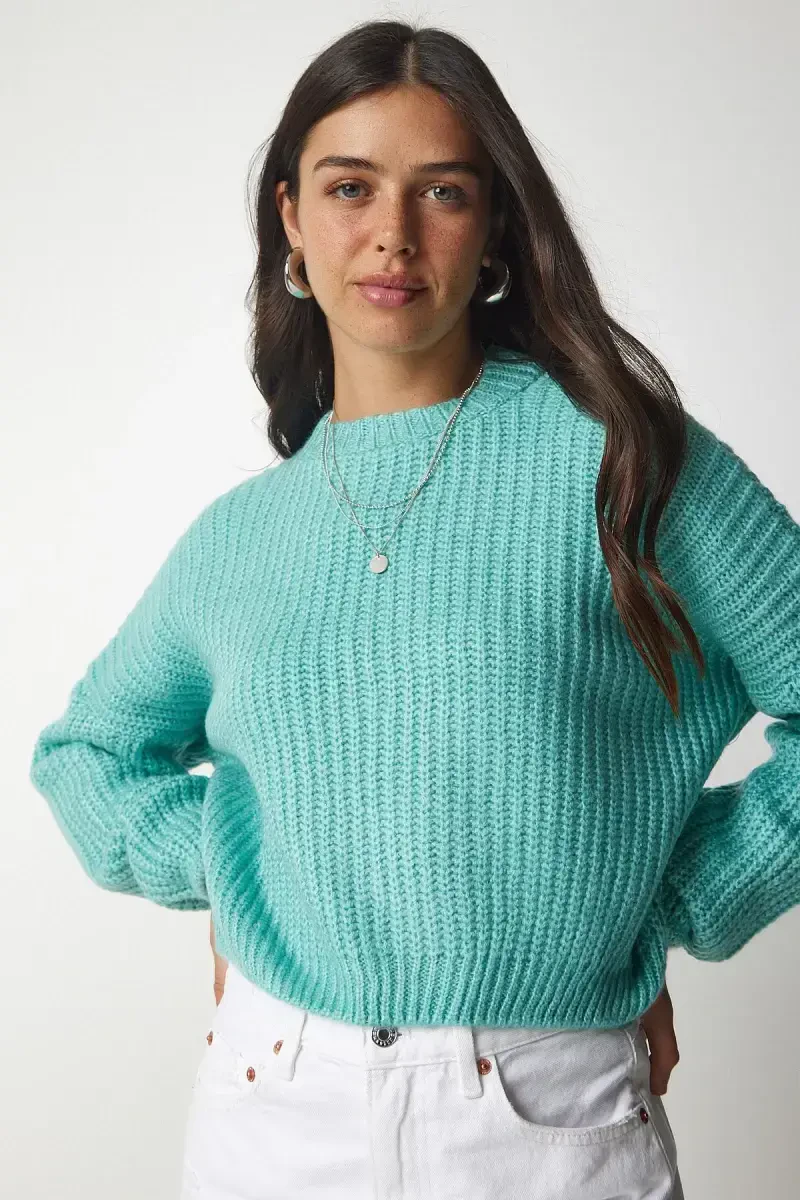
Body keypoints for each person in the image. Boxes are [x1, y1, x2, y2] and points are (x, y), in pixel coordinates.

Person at [28, 18, 800, 1200]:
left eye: (442, 190)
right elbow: (85, 756)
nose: (391, 232)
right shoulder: (243, 535)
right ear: (291, 217)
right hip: (273, 1107)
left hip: (545, 1112)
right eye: (349, 187)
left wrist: (669, 898)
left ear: (494, 227)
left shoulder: (624, 462)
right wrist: (239, 875)